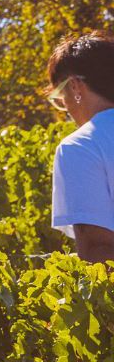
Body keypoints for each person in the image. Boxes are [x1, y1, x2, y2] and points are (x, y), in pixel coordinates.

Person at [47, 31, 114, 263]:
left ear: (75, 87)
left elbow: (98, 252)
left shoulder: (80, 147)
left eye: (59, 96)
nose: (64, 108)